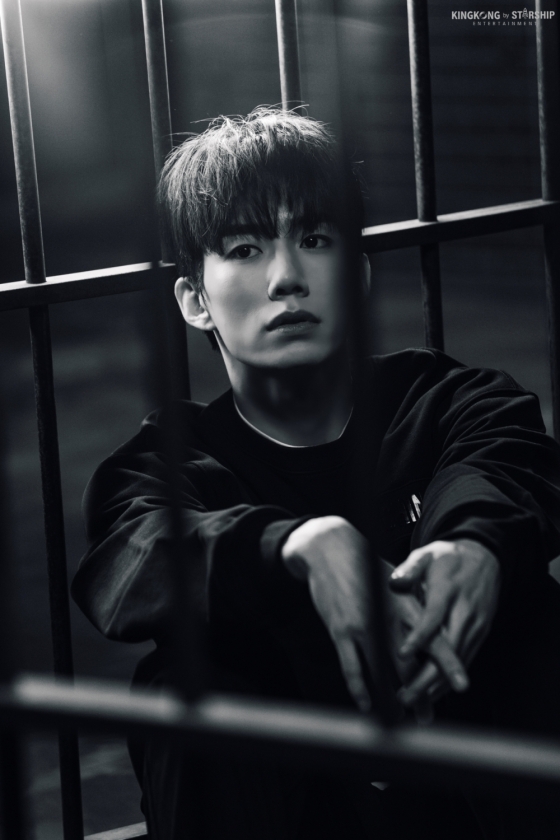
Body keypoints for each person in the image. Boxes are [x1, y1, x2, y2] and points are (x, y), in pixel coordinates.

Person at [72, 108, 560, 839]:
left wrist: (474, 546)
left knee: (529, 619)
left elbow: (504, 459)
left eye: (315, 240)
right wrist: (295, 549)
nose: (287, 279)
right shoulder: (164, 463)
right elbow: (131, 556)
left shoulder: (444, 399)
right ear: (195, 300)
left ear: (357, 273)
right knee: (187, 688)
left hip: (467, 785)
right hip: (296, 801)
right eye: (245, 248)